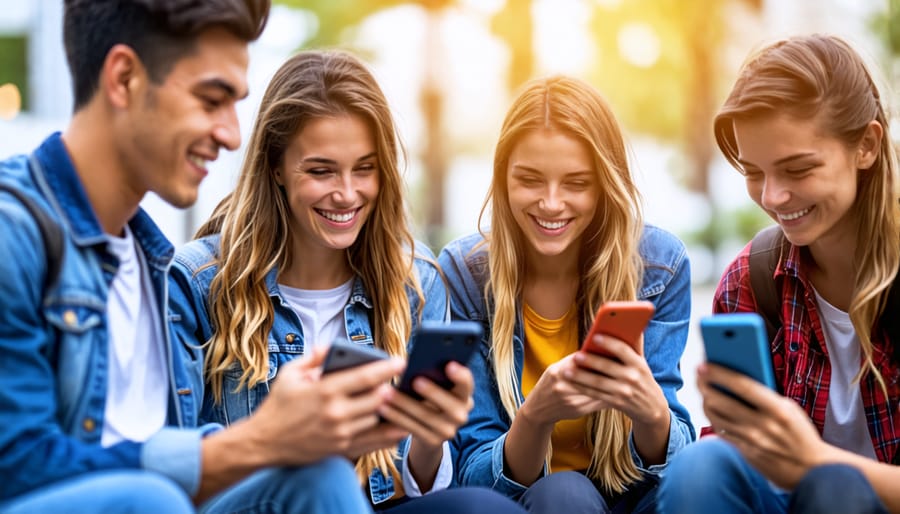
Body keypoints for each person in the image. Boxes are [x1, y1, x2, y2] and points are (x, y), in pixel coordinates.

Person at [0, 1, 388, 513]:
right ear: (124, 79)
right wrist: (259, 440)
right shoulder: (15, 233)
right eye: (211, 100)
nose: (231, 135)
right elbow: (16, 467)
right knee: (151, 498)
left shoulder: (150, 262)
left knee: (319, 478)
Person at [168, 49, 528, 514]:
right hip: (263, 507)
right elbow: (178, 472)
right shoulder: (199, 283)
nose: (346, 193)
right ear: (275, 167)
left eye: (364, 168)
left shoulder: (415, 281)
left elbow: (424, 487)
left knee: (484, 509)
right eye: (320, 171)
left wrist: (428, 436)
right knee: (320, 476)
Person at [656, 34, 899, 514]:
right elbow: (735, 462)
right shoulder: (753, 278)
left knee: (837, 491)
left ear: (866, 146)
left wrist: (814, 462)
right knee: (700, 466)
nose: (772, 197)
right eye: (753, 172)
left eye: (797, 169)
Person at [439, 76, 695, 514]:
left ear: (605, 183)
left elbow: (673, 463)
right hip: (535, 503)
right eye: (530, 180)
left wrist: (652, 414)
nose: (552, 203)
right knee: (564, 494)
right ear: (502, 179)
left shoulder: (658, 264)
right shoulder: (466, 274)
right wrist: (536, 417)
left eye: (577, 183)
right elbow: (473, 473)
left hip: (637, 495)